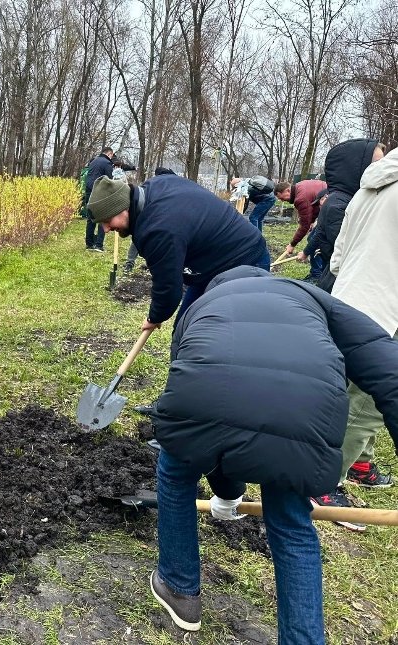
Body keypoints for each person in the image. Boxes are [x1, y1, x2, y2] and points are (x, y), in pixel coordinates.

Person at [147, 265, 398, 641]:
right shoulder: (315, 298)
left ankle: (179, 587)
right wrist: (229, 495)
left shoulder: (203, 304)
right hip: (302, 416)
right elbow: (388, 371)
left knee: (177, 468)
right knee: (292, 523)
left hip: (210, 399)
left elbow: (194, 393)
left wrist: (227, 493)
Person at [87, 174, 270, 415]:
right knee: (183, 335)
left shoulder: (158, 228)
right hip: (208, 266)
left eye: (107, 221)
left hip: (243, 264)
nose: (106, 229)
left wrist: (154, 317)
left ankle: (206, 412)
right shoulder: (154, 188)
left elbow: (168, 288)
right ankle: (177, 405)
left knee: (216, 344)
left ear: (122, 207)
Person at [308, 146, 398, 521]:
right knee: (365, 404)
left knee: (350, 395)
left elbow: (338, 256)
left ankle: (362, 464)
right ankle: (322, 486)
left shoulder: (368, 188)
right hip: (385, 312)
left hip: (346, 302)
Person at [297, 139, 385, 288]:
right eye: (376, 164)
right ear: (355, 168)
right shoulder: (338, 205)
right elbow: (351, 253)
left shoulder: (353, 199)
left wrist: (305, 252)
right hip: (341, 284)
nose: (383, 169)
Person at [82, 146, 135, 252]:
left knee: (90, 218)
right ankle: (99, 245)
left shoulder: (94, 161)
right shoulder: (107, 163)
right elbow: (110, 180)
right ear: (110, 154)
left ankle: (89, 243)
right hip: (99, 193)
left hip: (89, 190)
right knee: (104, 217)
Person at [124, 167, 176, 271]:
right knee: (141, 237)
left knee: (148, 238)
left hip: (159, 217)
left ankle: (135, 262)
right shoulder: (166, 185)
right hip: (151, 215)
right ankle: (131, 263)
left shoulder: (159, 184)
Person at [273, 178, 327, 259]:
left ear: (287, 190)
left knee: (314, 239)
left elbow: (304, 226)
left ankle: (317, 271)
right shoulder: (299, 186)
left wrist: (292, 244)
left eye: (282, 198)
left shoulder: (300, 199)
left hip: (331, 209)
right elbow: (314, 206)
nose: (282, 201)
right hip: (331, 203)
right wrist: (312, 221)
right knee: (313, 238)